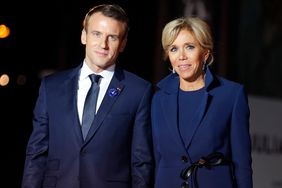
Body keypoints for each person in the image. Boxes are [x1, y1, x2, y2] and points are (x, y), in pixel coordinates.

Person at [21, 4, 154, 188]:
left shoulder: (139, 91)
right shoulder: (51, 87)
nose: (103, 44)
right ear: (84, 36)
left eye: (112, 37)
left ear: (123, 44)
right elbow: (36, 153)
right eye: (97, 34)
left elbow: (141, 162)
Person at [151, 16, 253, 188]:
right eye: (174, 49)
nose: (181, 56)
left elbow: (242, 164)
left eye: (189, 47)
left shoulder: (231, 95)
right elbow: (154, 159)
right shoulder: (157, 97)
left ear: (205, 53)